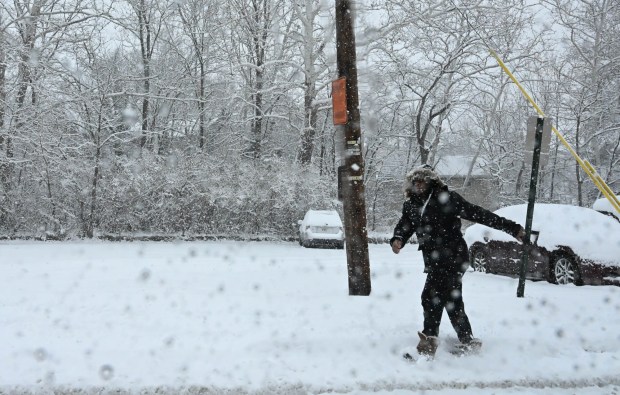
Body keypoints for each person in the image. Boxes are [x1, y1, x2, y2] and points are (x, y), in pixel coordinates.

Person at [390, 165, 525, 358]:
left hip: (453, 256)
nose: (418, 185)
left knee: (430, 296)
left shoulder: (448, 199)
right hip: (434, 259)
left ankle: (429, 340)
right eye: (415, 182)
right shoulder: (411, 204)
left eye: (422, 181)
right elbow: (406, 223)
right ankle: (468, 341)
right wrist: (398, 238)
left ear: (431, 182)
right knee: (452, 300)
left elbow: (479, 214)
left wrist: (512, 228)